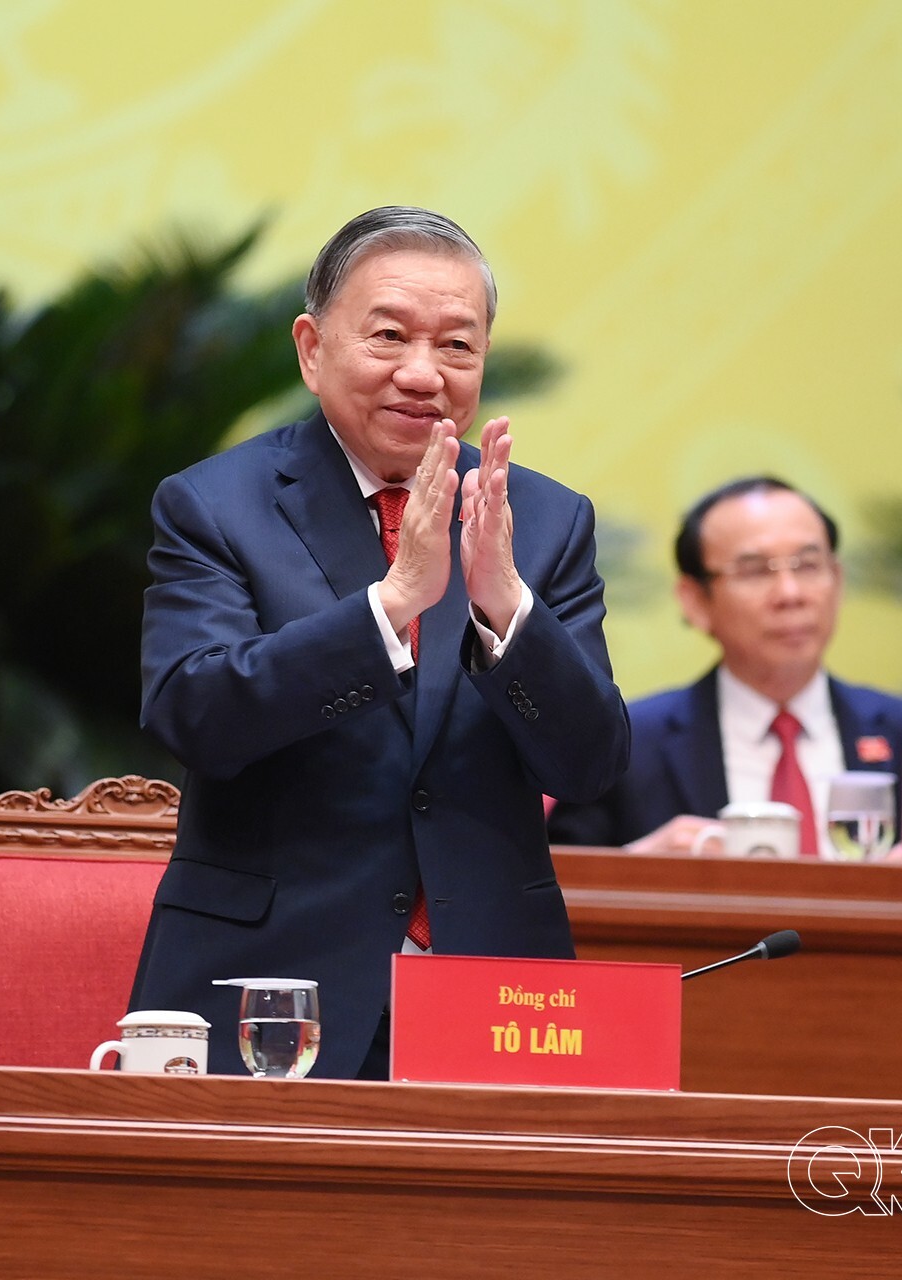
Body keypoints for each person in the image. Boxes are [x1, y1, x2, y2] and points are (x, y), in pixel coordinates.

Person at [126, 206, 630, 1080]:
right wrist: (390, 607)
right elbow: (194, 714)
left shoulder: (545, 522)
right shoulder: (214, 505)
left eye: (457, 346)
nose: (423, 374)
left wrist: (506, 608)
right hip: (272, 984)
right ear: (312, 349)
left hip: (494, 992)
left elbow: (590, 767)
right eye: (389, 336)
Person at [546, 476, 902, 853]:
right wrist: (641, 867)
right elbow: (561, 889)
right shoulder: (626, 745)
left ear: (837, 581)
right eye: (755, 571)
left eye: (808, 565)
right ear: (695, 601)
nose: (790, 594)